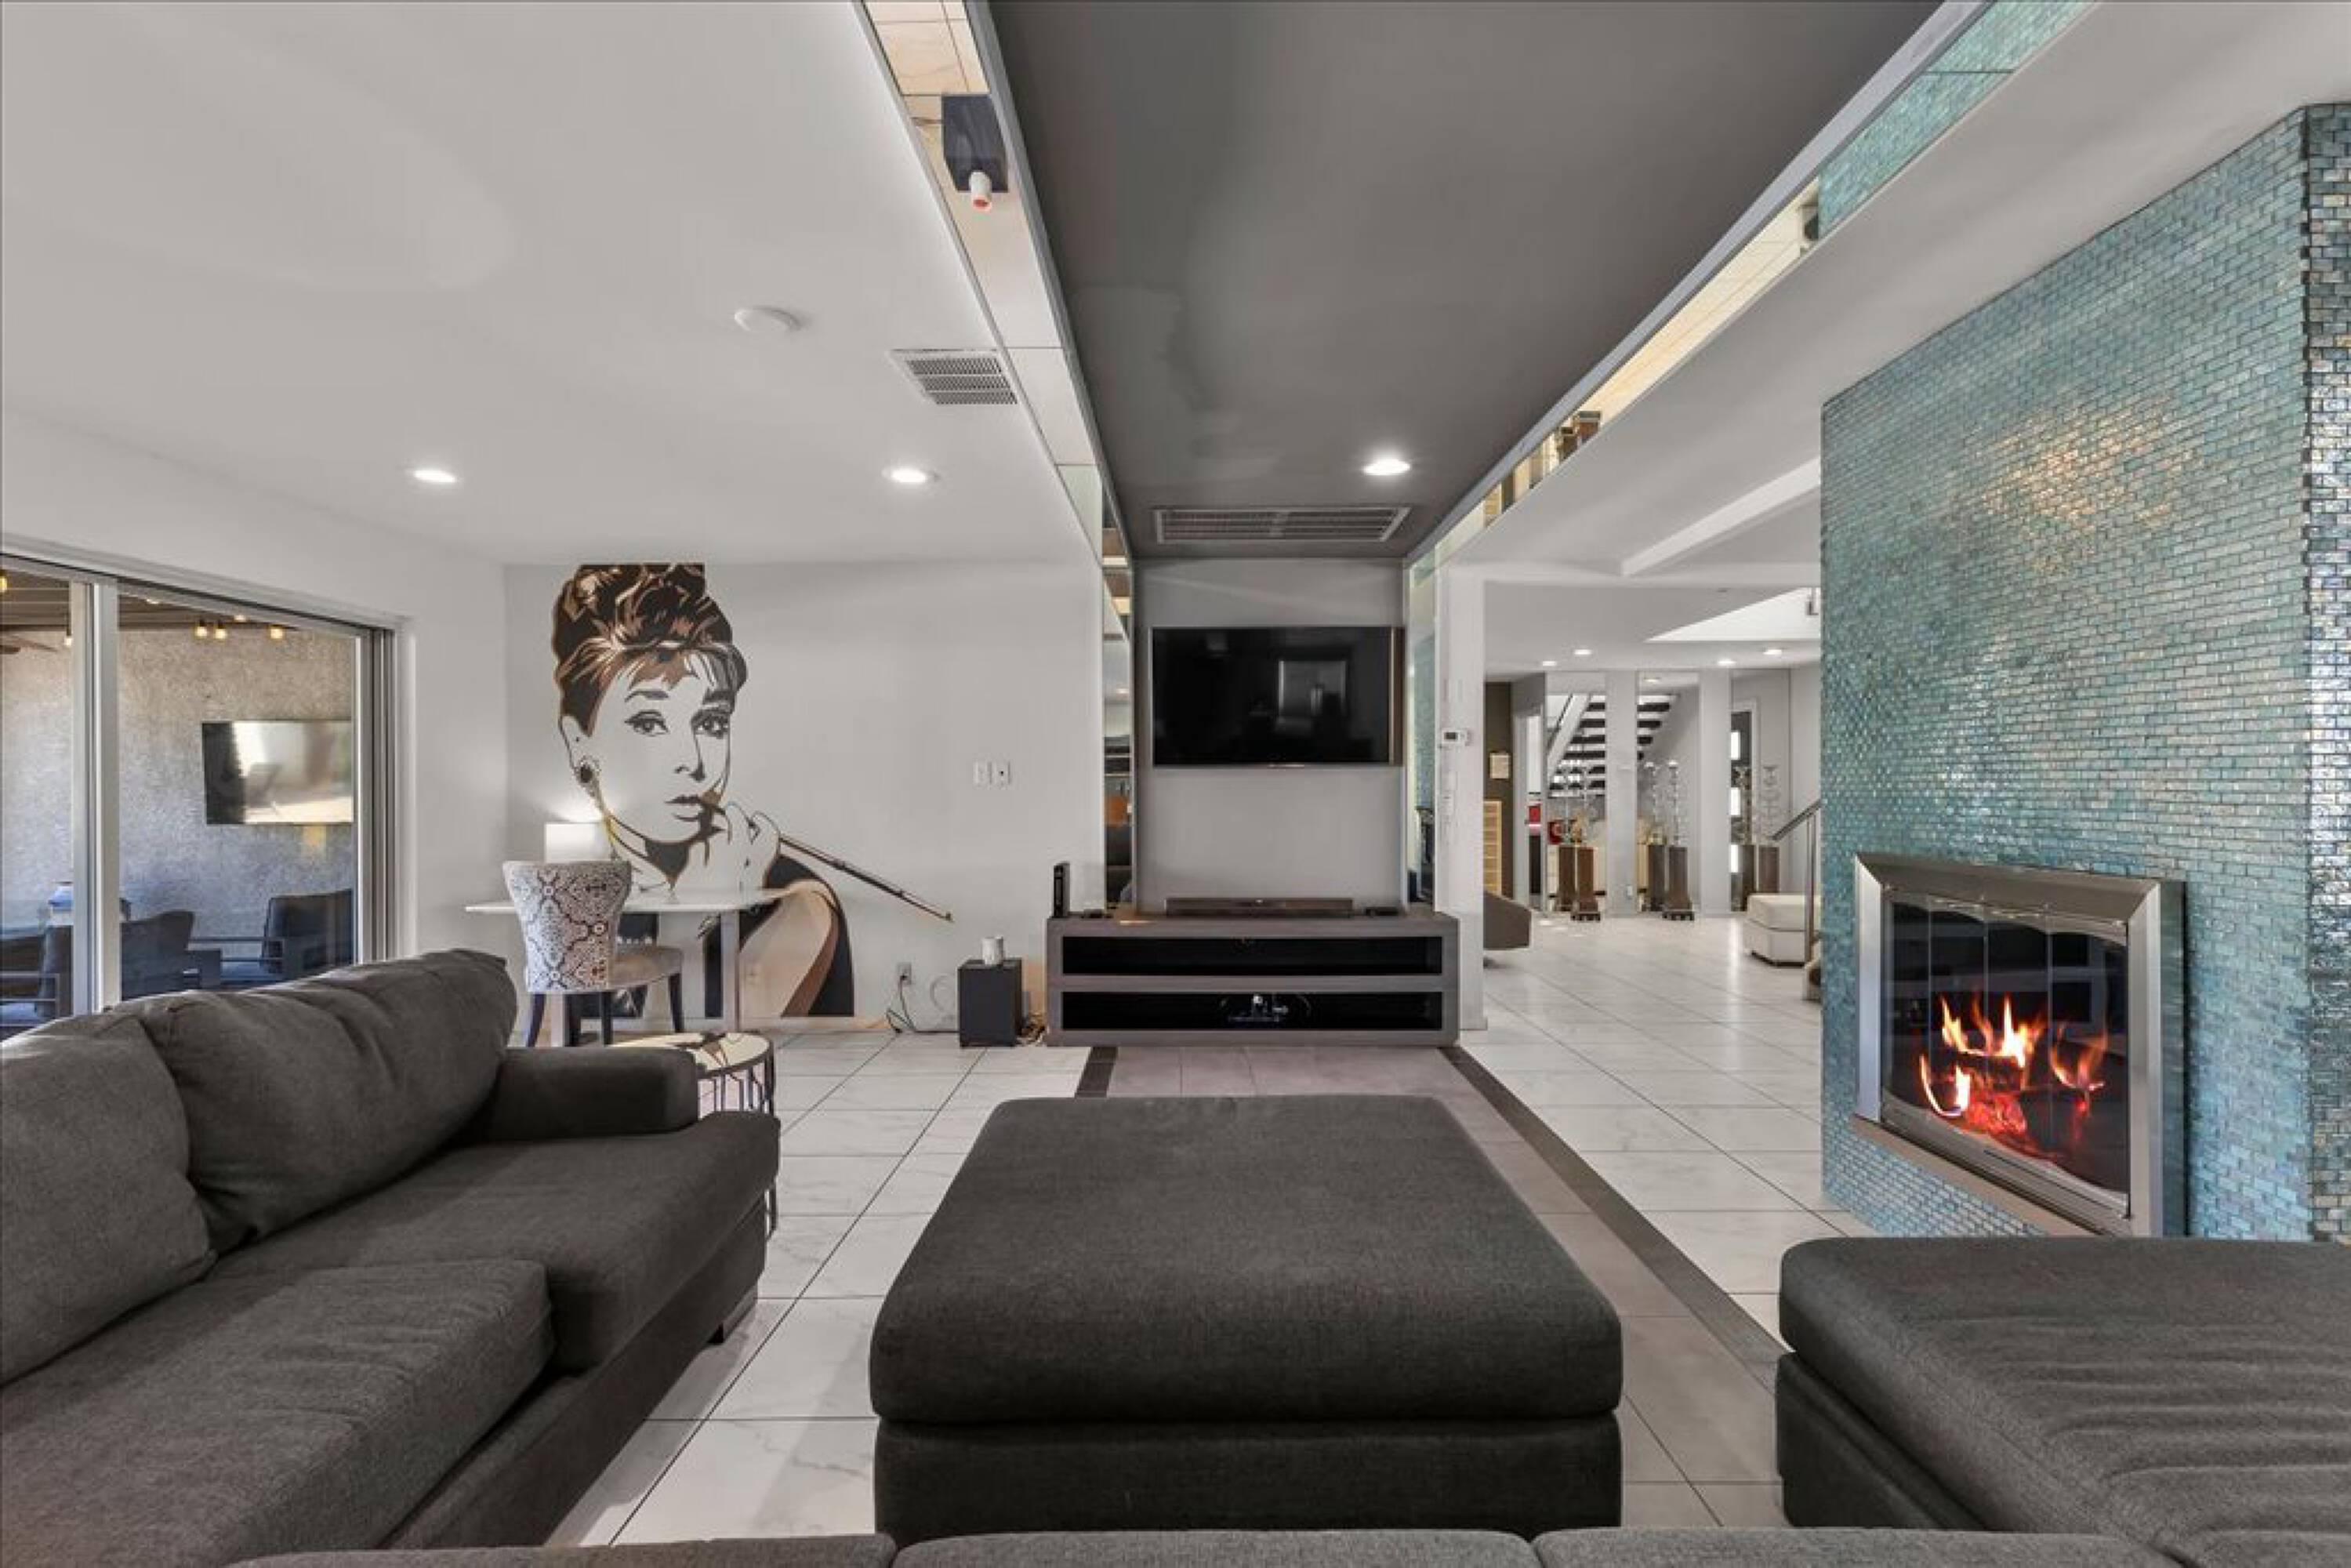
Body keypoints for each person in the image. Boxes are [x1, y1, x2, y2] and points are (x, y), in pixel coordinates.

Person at [551, 563, 853, 1016]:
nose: (693, 763)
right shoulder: (590, 893)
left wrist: (720, 901)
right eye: (649, 723)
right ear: (580, 745)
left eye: (711, 723)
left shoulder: (797, 899)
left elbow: (726, 1039)